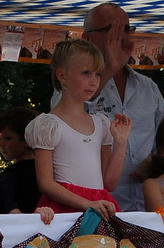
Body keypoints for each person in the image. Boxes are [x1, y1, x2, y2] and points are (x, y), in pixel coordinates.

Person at [68, 2, 164, 211]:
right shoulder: (70, 84)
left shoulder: (148, 88)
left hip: (148, 208)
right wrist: (109, 69)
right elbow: (66, 122)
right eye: (112, 30)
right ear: (87, 39)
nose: (121, 37)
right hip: (98, 209)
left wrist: (154, 165)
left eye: (127, 29)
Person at [28, 39, 131, 216]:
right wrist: (87, 203)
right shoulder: (49, 125)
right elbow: (46, 183)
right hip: (64, 207)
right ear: (62, 75)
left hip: (97, 205)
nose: (94, 81)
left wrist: (120, 142)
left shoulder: (101, 123)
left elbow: (109, 183)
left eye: (98, 74)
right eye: (86, 73)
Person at [0, 107, 44, 215]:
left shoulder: (12, 173)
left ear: (27, 140)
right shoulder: (47, 169)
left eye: (8, 138)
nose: (1, 144)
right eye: (0, 139)